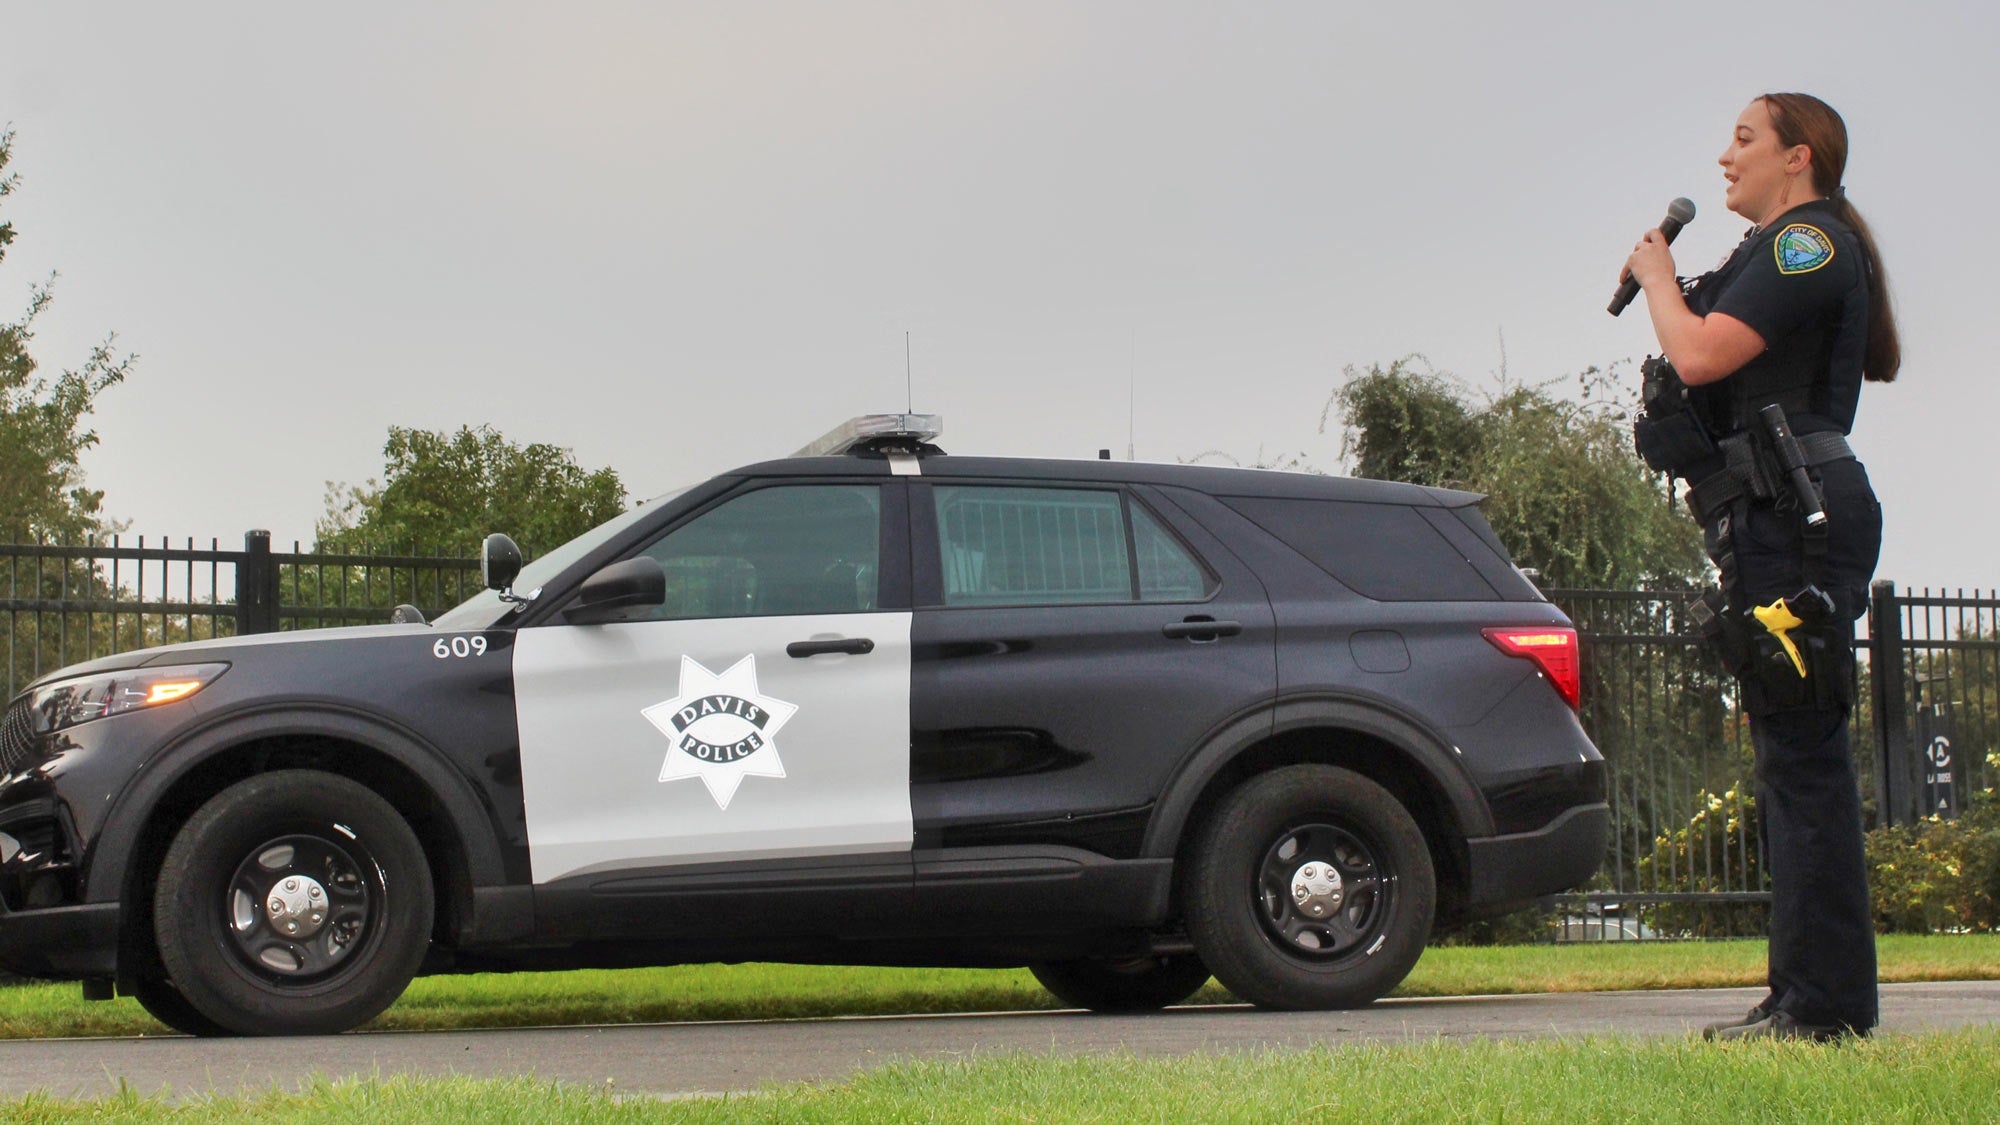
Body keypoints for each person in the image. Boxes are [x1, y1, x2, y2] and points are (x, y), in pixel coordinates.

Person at [1622, 92, 1896, 1042]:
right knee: (1788, 753)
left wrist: (1656, 274)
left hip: (1798, 520)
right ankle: (1799, 995)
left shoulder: (1806, 245)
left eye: (1744, 139)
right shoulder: (1763, 254)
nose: (1724, 157)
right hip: (1768, 517)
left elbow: (1698, 356)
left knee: (1806, 760)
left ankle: (1825, 1007)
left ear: (1799, 156)